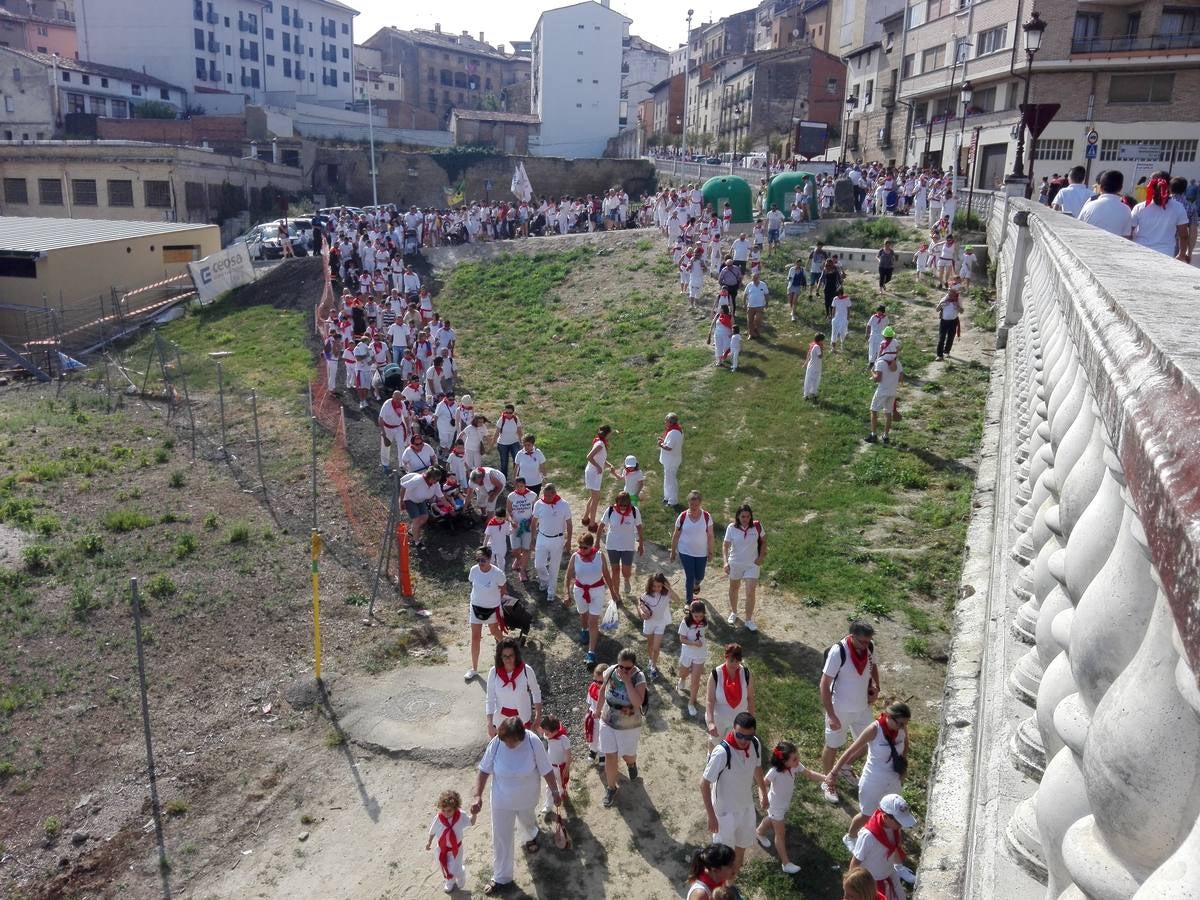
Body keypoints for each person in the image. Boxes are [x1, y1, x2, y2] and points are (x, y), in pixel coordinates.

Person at [470, 717, 561, 897]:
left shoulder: (533, 741)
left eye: (512, 742)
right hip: (501, 800)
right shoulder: (497, 743)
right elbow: (483, 770)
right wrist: (477, 796)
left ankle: (530, 834)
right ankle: (502, 877)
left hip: (527, 797)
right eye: (505, 741)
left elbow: (546, 769)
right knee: (501, 838)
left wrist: (555, 791)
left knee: (527, 821)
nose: (508, 745)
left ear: (521, 737)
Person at [825, 701, 912, 848]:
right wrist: (833, 773)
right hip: (873, 780)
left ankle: (886, 842)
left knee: (892, 813)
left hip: (893, 779)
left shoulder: (902, 728)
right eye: (901, 724)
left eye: (905, 724)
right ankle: (851, 836)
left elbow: (905, 747)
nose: (903, 727)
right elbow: (850, 751)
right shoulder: (874, 729)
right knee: (867, 814)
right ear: (889, 717)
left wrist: (902, 770)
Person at [700, 711, 768, 885]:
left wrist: (763, 791)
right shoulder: (722, 753)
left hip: (745, 808)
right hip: (724, 814)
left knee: (741, 849)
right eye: (740, 735)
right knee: (722, 858)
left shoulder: (755, 744)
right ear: (733, 730)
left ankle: (729, 885)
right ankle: (719, 889)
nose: (744, 740)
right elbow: (704, 784)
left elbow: (757, 768)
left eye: (749, 736)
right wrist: (711, 816)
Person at [819, 622, 881, 800]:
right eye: (861, 642)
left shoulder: (869, 646)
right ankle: (828, 782)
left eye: (868, 641)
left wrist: (876, 685)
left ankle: (844, 766)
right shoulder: (838, 652)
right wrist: (831, 714)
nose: (865, 645)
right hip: (840, 709)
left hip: (862, 708)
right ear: (851, 636)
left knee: (869, 742)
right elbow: (824, 684)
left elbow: (873, 666)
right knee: (832, 745)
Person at [755, 740, 825, 874]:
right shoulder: (774, 772)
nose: (798, 760)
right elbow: (762, 784)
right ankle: (785, 863)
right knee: (780, 833)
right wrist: (763, 798)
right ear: (784, 761)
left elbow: (809, 774)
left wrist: (825, 778)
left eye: (797, 757)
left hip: (782, 804)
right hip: (775, 805)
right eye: (794, 759)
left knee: (772, 819)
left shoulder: (795, 766)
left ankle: (759, 832)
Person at [598, 647, 648, 808]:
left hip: (628, 725)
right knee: (610, 756)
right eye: (621, 666)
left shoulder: (638, 677)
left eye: (628, 667)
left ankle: (631, 763)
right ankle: (611, 788)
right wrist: (598, 710)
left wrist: (627, 681)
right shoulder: (611, 671)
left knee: (627, 754)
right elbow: (602, 690)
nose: (624, 670)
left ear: (633, 666)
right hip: (608, 720)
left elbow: (637, 702)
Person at [562, 532, 619, 665]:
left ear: (591, 546)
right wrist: (566, 593)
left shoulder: (600, 556)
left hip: (597, 591)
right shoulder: (575, 557)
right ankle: (584, 629)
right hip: (580, 590)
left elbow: (606, 575)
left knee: (593, 621)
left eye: (585, 547)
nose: (582, 550)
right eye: (580, 546)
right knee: (583, 615)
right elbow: (568, 575)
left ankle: (591, 653)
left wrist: (613, 592)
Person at [849, 793, 918, 900]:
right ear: (885, 817)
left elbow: (892, 849)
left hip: (890, 873)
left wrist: (898, 866)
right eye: (899, 822)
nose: (901, 826)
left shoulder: (894, 829)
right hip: (874, 881)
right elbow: (855, 861)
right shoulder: (868, 836)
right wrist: (852, 886)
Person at [466, 546, 509, 681]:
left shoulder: (498, 573)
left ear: (490, 559)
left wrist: (498, 601)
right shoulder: (474, 570)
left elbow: (504, 589)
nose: (480, 563)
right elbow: (473, 583)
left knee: (495, 632)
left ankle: (508, 648)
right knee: (475, 637)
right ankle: (474, 668)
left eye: (483, 560)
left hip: (491, 609)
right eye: (478, 560)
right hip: (476, 607)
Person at [485, 638, 543, 734]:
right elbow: (489, 698)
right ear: (500, 657)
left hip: (522, 720)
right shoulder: (493, 672)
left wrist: (538, 716)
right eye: (504, 656)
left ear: (516, 655)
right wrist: (490, 723)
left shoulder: (526, 670)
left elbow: (536, 692)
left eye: (511, 655)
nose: (508, 659)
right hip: (501, 722)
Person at [722, 504, 767, 629]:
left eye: (748, 516)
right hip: (735, 563)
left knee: (751, 592)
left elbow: (764, 540)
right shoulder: (731, 528)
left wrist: (761, 556)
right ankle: (734, 612)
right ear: (738, 516)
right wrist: (725, 562)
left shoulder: (757, 526)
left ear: (751, 516)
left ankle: (748, 620)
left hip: (752, 565)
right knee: (734, 588)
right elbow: (725, 545)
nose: (745, 519)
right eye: (742, 516)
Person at [1130, 170, 1190, 261]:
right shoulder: (1178, 208)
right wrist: (1182, 254)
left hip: (1140, 253)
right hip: (1166, 255)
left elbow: (1129, 232)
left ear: (1149, 186)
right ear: (1169, 187)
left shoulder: (1139, 207)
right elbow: (1184, 235)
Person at [705, 642, 755, 745]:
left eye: (737, 661)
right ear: (725, 657)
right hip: (719, 720)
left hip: (738, 723)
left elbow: (750, 698)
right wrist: (710, 722)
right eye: (731, 660)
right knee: (715, 743)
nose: (734, 664)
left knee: (731, 746)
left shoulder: (746, 673)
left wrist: (751, 723)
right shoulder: (716, 674)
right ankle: (711, 758)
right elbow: (710, 700)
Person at [531, 483, 573, 603]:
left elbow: (569, 524)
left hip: (557, 539)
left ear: (554, 494)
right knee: (538, 565)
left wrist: (568, 541)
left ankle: (551, 591)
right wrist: (532, 538)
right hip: (542, 537)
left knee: (554, 567)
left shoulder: (563, 505)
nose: (546, 498)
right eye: (545, 495)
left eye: (549, 496)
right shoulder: (539, 504)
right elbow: (534, 522)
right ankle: (545, 580)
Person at [671, 491, 714, 603]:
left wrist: (711, 551)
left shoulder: (706, 516)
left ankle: (697, 583)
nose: (694, 507)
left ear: (700, 504)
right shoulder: (683, 516)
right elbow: (676, 535)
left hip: (701, 552)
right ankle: (689, 601)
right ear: (688, 503)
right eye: (691, 504)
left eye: (696, 505)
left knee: (699, 575)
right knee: (690, 576)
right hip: (685, 551)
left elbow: (710, 536)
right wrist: (673, 551)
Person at [597, 490, 643, 596]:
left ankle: (626, 580)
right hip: (612, 545)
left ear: (629, 504)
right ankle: (616, 594)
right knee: (615, 570)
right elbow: (601, 526)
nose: (622, 507)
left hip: (628, 545)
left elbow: (639, 527)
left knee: (626, 571)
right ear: (616, 502)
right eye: (620, 504)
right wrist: (597, 542)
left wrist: (641, 543)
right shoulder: (610, 510)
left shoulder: (634, 511)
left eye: (625, 505)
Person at [425, 789, 469, 894]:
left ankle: (461, 874)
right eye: (443, 810)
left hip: (456, 849)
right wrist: (429, 842)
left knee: (454, 869)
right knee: (444, 867)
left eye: (449, 810)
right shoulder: (439, 818)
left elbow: (471, 821)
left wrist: (475, 814)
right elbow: (432, 831)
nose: (446, 813)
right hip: (442, 849)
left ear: (455, 808)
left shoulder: (461, 815)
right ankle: (450, 882)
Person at [638, 572, 678, 681]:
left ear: (664, 585)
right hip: (650, 623)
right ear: (650, 585)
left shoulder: (666, 594)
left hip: (660, 624)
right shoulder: (645, 595)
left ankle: (653, 666)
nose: (657, 588)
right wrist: (642, 612)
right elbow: (640, 604)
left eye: (659, 586)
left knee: (656, 648)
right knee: (650, 645)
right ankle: (650, 660)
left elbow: (677, 600)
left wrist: (669, 588)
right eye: (654, 586)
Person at [1078, 170, 1133, 239]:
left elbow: (1078, 227)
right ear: (1120, 188)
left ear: (1100, 187)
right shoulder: (1126, 210)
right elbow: (1126, 236)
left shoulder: (1089, 205)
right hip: (1113, 248)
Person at [677, 599, 709, 718]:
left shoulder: (704, 622)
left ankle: (691, 703)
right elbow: (682, 639)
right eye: (696, 616)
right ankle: (682, 678)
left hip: (699, 654)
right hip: (687, 653)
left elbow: (703, 632)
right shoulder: (685, 623)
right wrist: (693, 643)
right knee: (683, 672)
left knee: (696, 681)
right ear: (691, 613)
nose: (698, 618)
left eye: (701, 616)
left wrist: (699, 644)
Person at [400, 467, 443, 548]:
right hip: (409, 499)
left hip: (420, 500)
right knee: (416, 519)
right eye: (435, 480)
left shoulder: (435, 484)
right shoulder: (418, 480)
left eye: (438, 480)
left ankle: (412, 530)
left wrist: (449, 506)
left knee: (425, 517)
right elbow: (403, 487)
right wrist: (401, 501)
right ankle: (417, 541)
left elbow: (441, 496)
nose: (437, 482)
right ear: (429, 477)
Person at [868, 349, 903, 444]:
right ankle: (886, 436)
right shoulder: (898, 364)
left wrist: (872, 372)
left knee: (874, 411)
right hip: (892, 392)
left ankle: (873, 435)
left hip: (882, 391)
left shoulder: (881, 363)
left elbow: (877, 379)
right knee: (888, 414)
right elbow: (901, 379)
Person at [506, 476, 537, 582]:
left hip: (527, 526)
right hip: (515, 526)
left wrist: (531, 520)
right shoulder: (511, 496)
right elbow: (508, 511)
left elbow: (536, 511)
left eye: (522, 486)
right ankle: (519, 559)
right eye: (518, 486)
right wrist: (511, 521)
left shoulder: (532, 495)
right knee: (515, 549)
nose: (520, 488)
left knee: (526, 549)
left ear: (525, 485)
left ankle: (522, 570)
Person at [540, 714, 571, 815]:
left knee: (561, 783)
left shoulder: (563, 739)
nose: (545, 734)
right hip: (551, 767)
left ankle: (563, 792)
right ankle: (548, 806)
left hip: (561, 767)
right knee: (549, 786)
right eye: (544, 731)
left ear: (556, 731)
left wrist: (566, 767)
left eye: (547, 732)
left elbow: (568, 754)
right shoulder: (548, 736)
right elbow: (540, 729)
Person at [582, 425, 611, 525]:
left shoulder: (600, 443)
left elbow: (600, 457)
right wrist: (598, 467)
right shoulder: (600, 444)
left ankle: (586, 518)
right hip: (594, 473)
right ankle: (592, 523)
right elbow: (589, 457)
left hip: (594, 473)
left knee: (594, 497)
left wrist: (608, 465)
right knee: (596, 499)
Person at [658, 413, 684, 506]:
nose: (665, 423)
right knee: (667, 478)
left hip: (671, 460)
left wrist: (660, 444)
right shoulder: (676, 430)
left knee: (671, 480)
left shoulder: (673, 433)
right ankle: (667, 497)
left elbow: (669, 447)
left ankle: (673, 500)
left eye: (666, 421)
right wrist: (663, 440)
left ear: (670, 422)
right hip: (670, 460)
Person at [583, 662, 606, 763]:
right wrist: (588, 714)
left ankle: (602, 754)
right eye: (595, 680)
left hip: (604, 718)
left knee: (603, 736)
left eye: (600, 682)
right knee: (593, 733)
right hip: (593, 715)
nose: (597, 683)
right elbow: (589, 702)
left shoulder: (609, 691)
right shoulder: (592, 687)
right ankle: (593, 750)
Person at [494, 404, 523, 480]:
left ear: (513, 412)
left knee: (516, 461)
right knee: (504, 462)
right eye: (506, 412)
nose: (508, 414)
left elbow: (520, 431)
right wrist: (492, 444)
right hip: (503, 444)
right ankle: (504, 479)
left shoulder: (516, 419)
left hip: (514, 442)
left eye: (510, 413)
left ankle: (516, 478)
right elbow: (496, 433)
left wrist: (522, 442)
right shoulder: (501, 420)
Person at [935, 286, 962, 361]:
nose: (950, 295)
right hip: (944, 321)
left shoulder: (958, 300)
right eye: (949, 293)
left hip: (953, 321)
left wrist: (958, 306)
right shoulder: (944, 299)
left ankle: (946, 352)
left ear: (955, 294)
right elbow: (937, 309)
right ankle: (939, 355)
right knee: (941, 338)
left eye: (952, 293)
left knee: (950, 337)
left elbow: (962, 311)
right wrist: (941, 305)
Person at [483, 507, 513, 572]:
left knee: (501, 560)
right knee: (491, 560)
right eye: (497, 518)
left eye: (501, 518)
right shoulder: (491, 524)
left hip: (502, 546)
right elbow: (487, 535)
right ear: (495, 516)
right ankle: (491, 572)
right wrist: (484, 546)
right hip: (491, 546)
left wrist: (513, 528)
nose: (498, 520)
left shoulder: (505, 523)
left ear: (504, 517)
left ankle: (501, 573)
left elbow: (508, 533)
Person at [743, 272, 769, 340]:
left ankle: (756, 330)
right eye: (753, 278)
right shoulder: (749, 285)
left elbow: (766, 294)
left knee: (758, 320)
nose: (754, 279)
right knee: (750, 320)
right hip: (750, 306)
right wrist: (744, 303)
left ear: (758, 278)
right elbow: (745, 294)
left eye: (756, 278)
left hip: (760, 306)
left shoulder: (763, 285)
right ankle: (750, 334)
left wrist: (766, 303)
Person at [804, 333, 825, 400]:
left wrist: (805, 363)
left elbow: (809, 354)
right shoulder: (817, 347)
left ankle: (808, 394)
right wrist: (821, 348)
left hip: (812, 365)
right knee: (815, 380)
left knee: (809, 379)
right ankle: (812, 393)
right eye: (822, 340)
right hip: (815, 366)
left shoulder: (813, 345)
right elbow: (820, 356)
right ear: (820, 340)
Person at [830, 288, 852, 353]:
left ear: (842, 293)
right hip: (836, 319)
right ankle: (833, 348)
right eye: (838, 294)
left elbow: (848, 309)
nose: (839, 296)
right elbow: (833, 308)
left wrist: (848, 317)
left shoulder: (847, 299)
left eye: (840, 294)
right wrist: (832, 317)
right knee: (834, 333)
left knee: (843, 332)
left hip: (844, 319)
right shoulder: (835, 299)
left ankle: (842, 345)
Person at [786, 257, 807, 322]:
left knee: (795, 300)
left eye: (800, 264)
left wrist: (804, 286)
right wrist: (789, 278)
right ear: (796, 263)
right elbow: (788, 277)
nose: (799, 265)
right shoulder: (792, 269)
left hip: (797, 287)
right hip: (791, 286)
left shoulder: (802, 270)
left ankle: (793, 314)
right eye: (798, 264)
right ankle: (792, 310)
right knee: (790, 301)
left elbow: (804, 278)